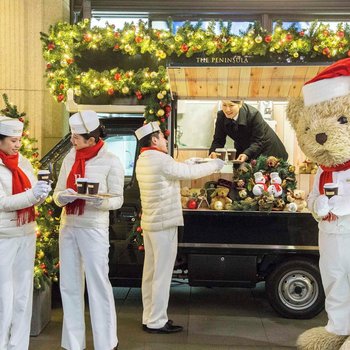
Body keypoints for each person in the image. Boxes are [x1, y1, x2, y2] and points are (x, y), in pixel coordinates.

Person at [135, 122, 225, 334]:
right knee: (162, 275)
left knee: (150, 273)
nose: (166, 140)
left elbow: (177, 168)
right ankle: (157, 320)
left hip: (150, 223)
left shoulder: (144, 159)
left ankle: (148, 316)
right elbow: (187, 173)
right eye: (162, 137)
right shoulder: (160, 160)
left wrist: (194, 160)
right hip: (164, 224)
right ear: (154, 140)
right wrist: (216, 165)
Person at [53, 110, 123, 350]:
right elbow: (57, 194)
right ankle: (73, 344)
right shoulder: (69, 158)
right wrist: (62, 197)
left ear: (92, 139)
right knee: (69, 285)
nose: (72, 141)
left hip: (94, 228)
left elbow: (117, 200)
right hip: (69, 226)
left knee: (98, 284)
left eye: (76, 138)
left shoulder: (111, 160)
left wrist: (99, 201)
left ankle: (106, 343)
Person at [0, 116, 51, 350]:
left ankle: (18, 345)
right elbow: (3, 202)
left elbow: (32, 193)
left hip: (26, 232)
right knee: (4, 296)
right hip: (4, 235)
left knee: (23, 293)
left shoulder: (23, 162)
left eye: (19, 140)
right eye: (13, 140)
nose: (17, 145)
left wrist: (41, 194)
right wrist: (32, 196)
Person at [209, 100, 288, 162]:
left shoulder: (254, 114)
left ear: (240, 104)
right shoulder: (221, 116)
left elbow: (257, 141)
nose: (227, 109)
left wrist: (246, 154)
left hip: (269, 148)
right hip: (247, 147)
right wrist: (213, 152)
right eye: (224, 105)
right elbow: (218, 140)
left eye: (231, 105)